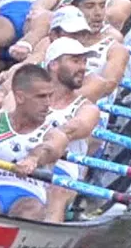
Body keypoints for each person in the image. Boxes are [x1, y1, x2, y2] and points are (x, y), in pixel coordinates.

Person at [0, 65, 68, 220]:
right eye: (41, 97)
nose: (47, 103)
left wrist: (33, 159)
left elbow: (48, 149)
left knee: (30, 210)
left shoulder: (54, 133)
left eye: (49, 96)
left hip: (29, 197)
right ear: (19, 97)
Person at [41, 38, 103, 223]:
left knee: (55, 191)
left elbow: (71, 130)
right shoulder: (25, 96)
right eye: (75, 61)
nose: (83, 67)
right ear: (53, 65)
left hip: (63, 170)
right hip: (22, 159)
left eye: (84, 61)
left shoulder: (87, 108)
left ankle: (46, 239)